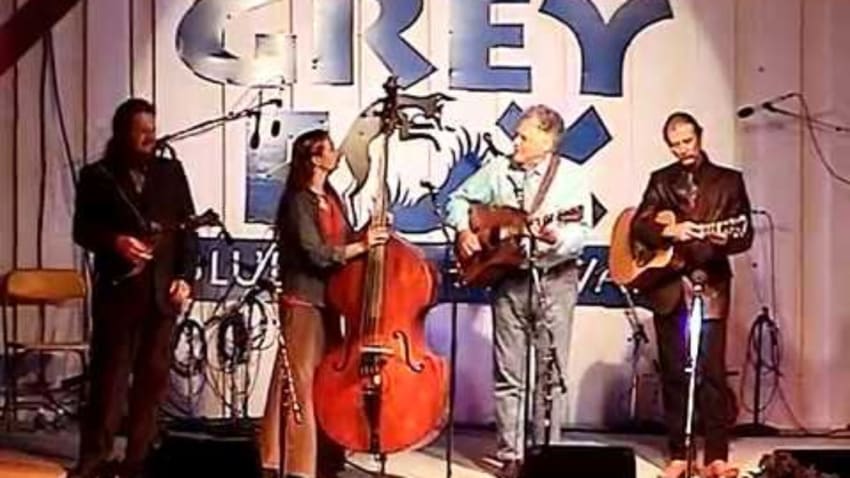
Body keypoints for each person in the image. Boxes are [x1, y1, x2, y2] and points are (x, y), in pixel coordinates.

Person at [445, 105, 592, 478]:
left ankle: (547, 452)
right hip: (509, 280)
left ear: (547, 139)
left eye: (524, 136)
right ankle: (510, 454)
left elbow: (578, 234)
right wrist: (464, 231)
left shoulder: (572, 178)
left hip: (554, 279)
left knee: (550, 373)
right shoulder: (498, 170)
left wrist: (555, 238)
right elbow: (456, 200)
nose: (516, 142)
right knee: (509, 373)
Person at [71, 98, 198, 478]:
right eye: (141, 131)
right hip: (119, 294)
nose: (150, 138)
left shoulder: (171, 172)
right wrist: (115, 242)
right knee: (109, 382)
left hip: (161, 297)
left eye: (153, 130)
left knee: (152, 382)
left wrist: (185, 277)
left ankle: (138, 462)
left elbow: (188, 228)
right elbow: (83, 230)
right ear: (122, 133)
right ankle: (93, 461)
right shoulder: (98, 175)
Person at [259, 129, 390, 478]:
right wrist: (361, 247)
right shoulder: (298, 200)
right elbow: (316, 253)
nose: (335, 153)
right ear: (315, 158)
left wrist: (369, 233)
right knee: (298, 382)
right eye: (329, 149)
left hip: (330, 302)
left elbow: (342, 242)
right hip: (303, 301)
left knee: (323, 384)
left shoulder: (331, 196)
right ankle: (290, 462)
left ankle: (324, 459)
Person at [631, 112, 753, 478]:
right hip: (668, 284)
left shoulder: (729, 181)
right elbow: (639, 224)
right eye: (675, 144)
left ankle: (716, 453)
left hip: (710, 281)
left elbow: (744, 234)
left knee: (712, 371)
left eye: (687, 140)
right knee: (674, 371)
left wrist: (723, 239)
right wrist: (671, 232)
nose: (682, 149)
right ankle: (679, 454)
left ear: (699, 137)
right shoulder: (661, 180)